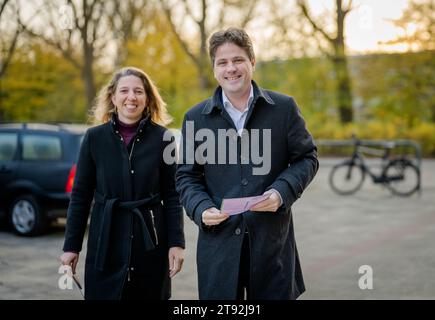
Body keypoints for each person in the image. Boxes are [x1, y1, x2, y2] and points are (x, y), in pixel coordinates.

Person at [176, 28, 318, 300]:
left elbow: (307, 157)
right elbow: (186, 177)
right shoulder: (195, 118)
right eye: (222, 62)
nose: (231, 68)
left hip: (271, 248)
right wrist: (200, 207)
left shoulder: (284, 108)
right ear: (214, 69)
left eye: (238, 60)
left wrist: (281, 192)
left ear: (252, 62)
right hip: (218, 248)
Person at [60, 67, 185, 300]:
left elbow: (173, 195)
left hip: (150, 244)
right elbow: (80, 196)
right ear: (113, 98)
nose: (131, 97)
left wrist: (176, 243)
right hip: (105, 242)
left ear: (147, 99)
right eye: (124, 91)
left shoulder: (164, 138)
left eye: (138, 91)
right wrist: (71, 246)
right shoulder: (94, 138)